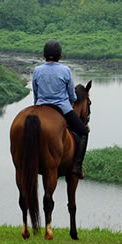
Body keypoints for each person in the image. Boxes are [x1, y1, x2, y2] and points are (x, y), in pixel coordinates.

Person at [32, 39, 88, 179]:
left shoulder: (37, 70)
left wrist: (38, 105)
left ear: (44, 55)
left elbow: (35, 92)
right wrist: (70, 102)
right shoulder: (66, 70)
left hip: (40, 106)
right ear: (60, 55)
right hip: (62, 108)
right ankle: (77, 166)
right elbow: (72, 96)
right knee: (83, 132)